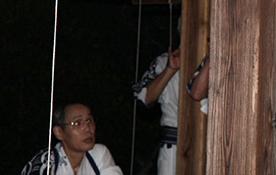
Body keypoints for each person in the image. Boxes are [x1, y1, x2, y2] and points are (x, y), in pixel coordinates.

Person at [21, 101, 123, 175]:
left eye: (89, 120)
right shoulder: (46, 163)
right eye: (77, 123)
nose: (87, 128)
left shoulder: (98, 154)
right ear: (59, 132)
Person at [132, 47, 181, 175]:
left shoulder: (219, 61)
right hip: (174, 147)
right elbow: (143, 97)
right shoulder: (165, 60)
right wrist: (170, 70)